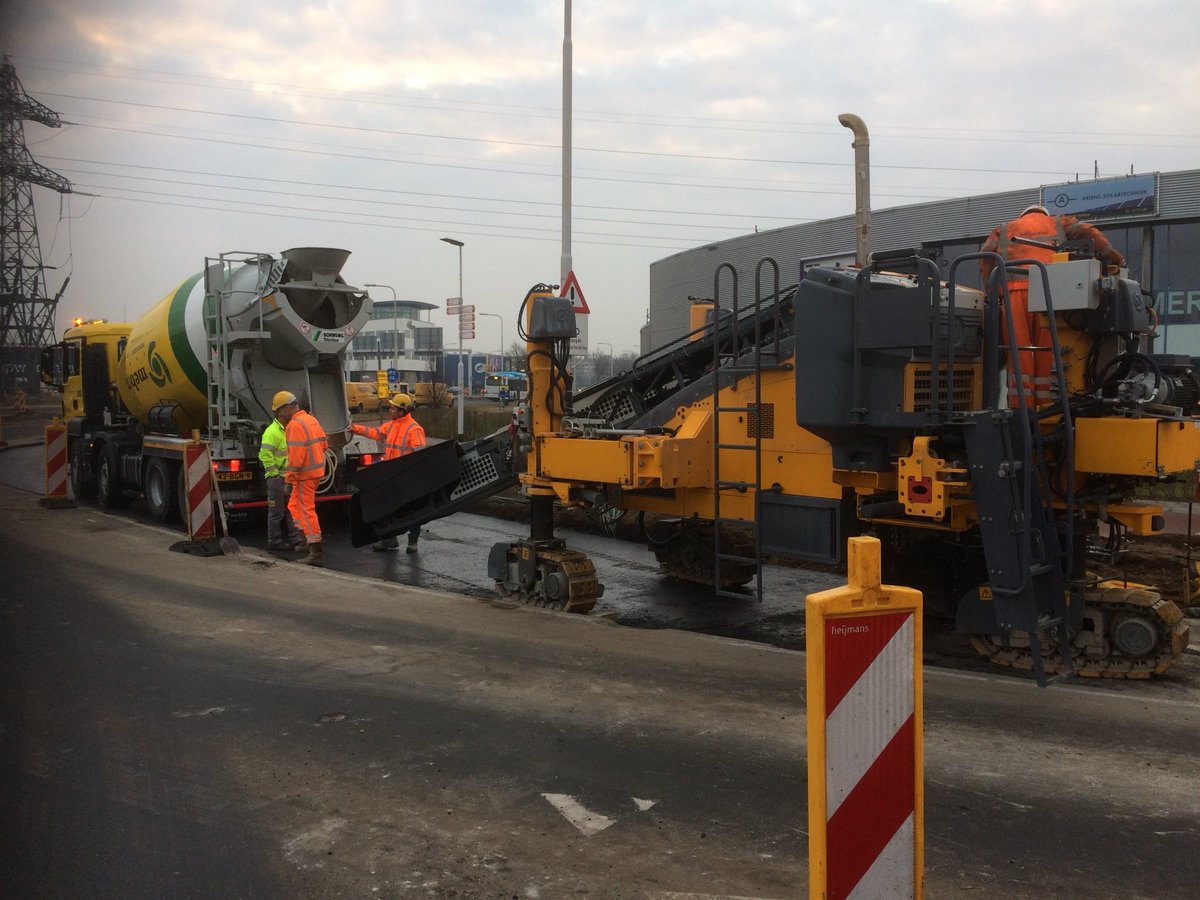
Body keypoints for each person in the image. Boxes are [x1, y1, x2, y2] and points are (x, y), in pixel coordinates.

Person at [980, 204, 1126, 406]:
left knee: (1018, 350)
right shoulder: (1059, 222)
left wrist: (992, 292)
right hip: (1048, 294)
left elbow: (985, 257)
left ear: (1023, 214)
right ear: (1044, 213)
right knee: (1046, 351)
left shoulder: (1005, 229)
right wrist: (1117, 260)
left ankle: (1019, 407)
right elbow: (1088, 232)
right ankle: (1045, 407)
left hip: (1014, 294)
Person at [350, 392, 427, 552]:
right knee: (387, 508)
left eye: (393, 408)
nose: (390, 410)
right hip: (391, 476)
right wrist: (354, 429)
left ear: (402, 411)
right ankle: (389, 539)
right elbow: (376, 433)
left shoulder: (415, 429)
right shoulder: (392, 425)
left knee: (412, 510)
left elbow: (420, 457)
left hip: (407, 477)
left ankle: (413, 541)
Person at [274, 390, 329, 567]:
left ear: (287, 408)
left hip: (304, 475)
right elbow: (325, 444)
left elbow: (296, 457)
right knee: (294, 506)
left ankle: (315, 549)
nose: (279, 415)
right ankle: (306, 539)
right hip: (312, 473)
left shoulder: (295, 425)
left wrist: (289, 480)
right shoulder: (311, 420)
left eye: (279, 411)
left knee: (305, 509)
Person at [259, 400, 304, 552]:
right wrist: (274, 475)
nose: (293, 410)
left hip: (289, 476)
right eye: (289, 407)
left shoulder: (290, 429)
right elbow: (265, 454)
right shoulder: (272, 432)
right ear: (279, 411)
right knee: (277, 511)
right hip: (277, 478)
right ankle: (275, 541)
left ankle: (296, 540)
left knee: (292, 509)